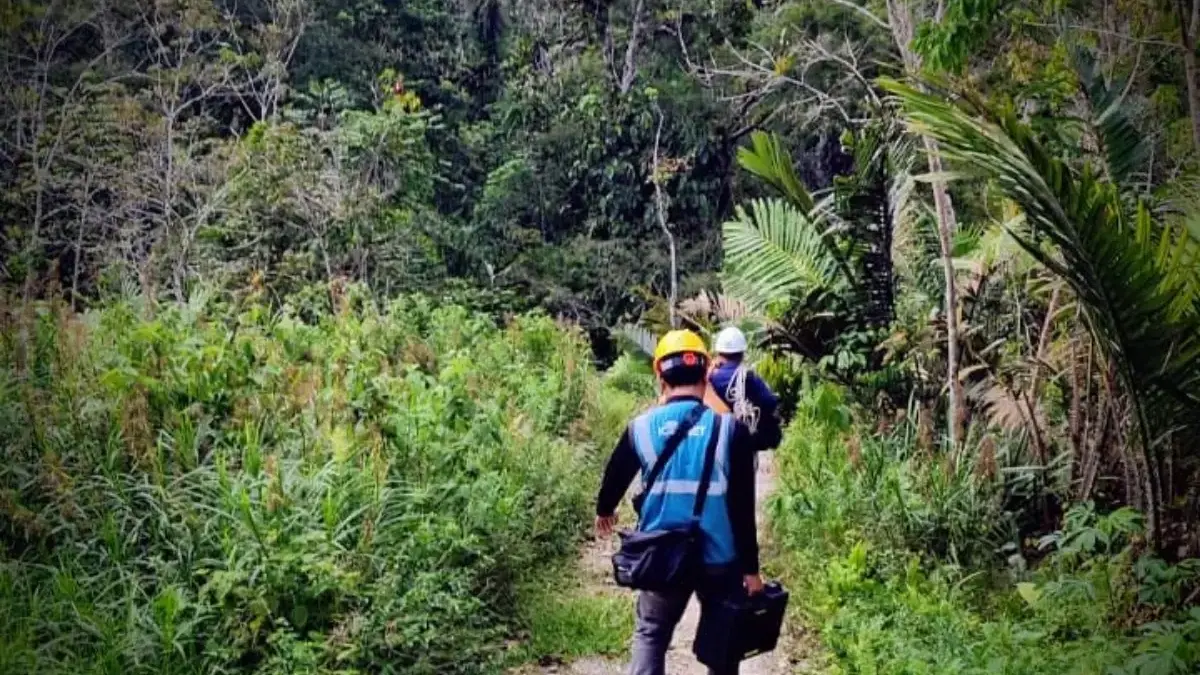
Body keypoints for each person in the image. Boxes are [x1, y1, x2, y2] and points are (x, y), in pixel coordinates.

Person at [595, 329, 763, 675]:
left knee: (652, 633)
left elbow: (615, 477)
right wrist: (751, 570)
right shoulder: (731, 431)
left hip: (662, 556)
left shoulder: (640, 428)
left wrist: (605, 511)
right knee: (724, 645)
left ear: (660, 376)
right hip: (720, 558)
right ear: (706, 375)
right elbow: (743, 508)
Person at [707, 326, 782, 453]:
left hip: (714, 440)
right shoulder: (749, 377)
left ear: (719, 353)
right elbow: (769, 402)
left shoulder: (710, 379)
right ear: (742, 354)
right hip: (742, 442)